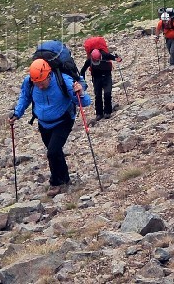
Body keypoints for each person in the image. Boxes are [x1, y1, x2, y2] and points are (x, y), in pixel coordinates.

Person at [10, 57, 91, 196]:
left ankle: (56, 183)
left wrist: (81, 92)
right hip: (43, 123)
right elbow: (25, 97)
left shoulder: (63, 80)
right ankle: (65, 179)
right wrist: (17, 113)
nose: (40, 87)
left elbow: (84, 102)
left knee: (52, 152)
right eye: (37, 84)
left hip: (63, 121)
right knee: (55, 151)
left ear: (49, 74)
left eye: (42, 83)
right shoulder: (29, 82)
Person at [81, 46, 119, 119]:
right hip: (96, 78)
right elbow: (83, 70)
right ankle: (99, 114)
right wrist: (82, 80)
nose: (96, 62)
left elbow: (116, 59)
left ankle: (107, 112)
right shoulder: (89, 60)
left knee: (107, 94)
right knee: (98, 96)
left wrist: (117, 58)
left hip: (107, 77)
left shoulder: (105, 55)